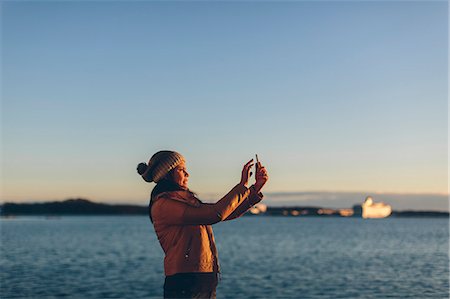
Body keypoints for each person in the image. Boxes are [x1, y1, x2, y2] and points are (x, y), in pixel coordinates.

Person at [137, 150, 269, 299]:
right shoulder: (164, 204)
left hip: (203, 281)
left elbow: (225, 213)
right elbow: (215, 214)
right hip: (185, 284)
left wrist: (255, 188)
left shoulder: (185, 201)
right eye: (181, 170)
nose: (187, 174)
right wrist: (242, 185)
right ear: (167, 174)